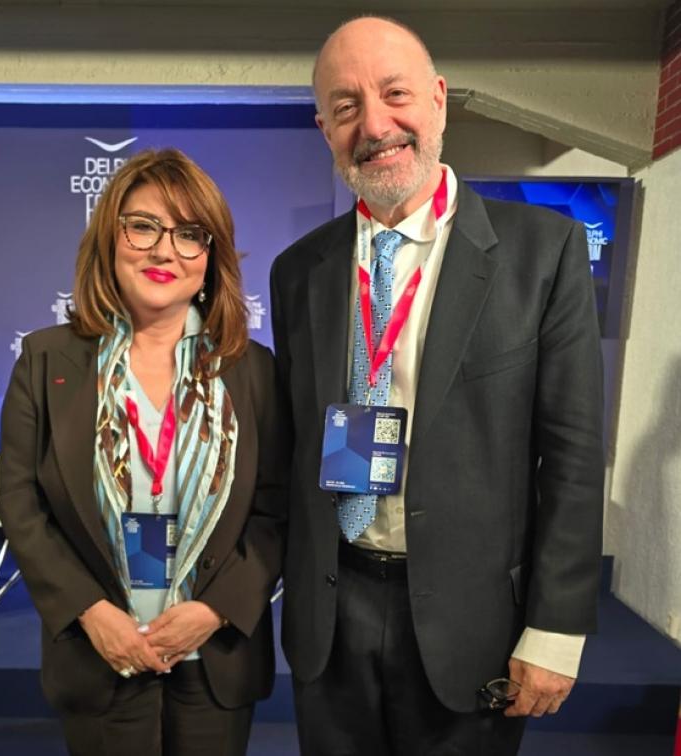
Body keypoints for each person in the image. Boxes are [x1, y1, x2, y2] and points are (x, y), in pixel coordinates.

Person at [270, 16, 604, 756]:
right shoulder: (299, 271)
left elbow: (573, 458)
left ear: (440, 100)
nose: (375, 125)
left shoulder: (542, 252)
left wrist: (555, 627)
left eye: (395, 94)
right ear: (325, 128)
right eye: (347, 105)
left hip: (472, 620)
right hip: (333, 613)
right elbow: (292, 446)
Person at [0, 147, 288, 756]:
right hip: (100, 650)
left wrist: (216, 609)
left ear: (210, 258)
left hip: (213, 655)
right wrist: (89, 610)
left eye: (189, 234)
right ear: (110, 238)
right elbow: (21, 503)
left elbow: (275, 508)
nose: (164, 251)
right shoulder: (47, 359)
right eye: (143, 227)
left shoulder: (252, 370)